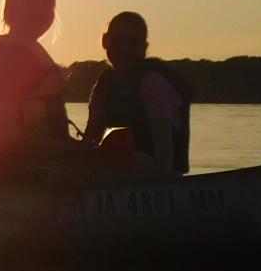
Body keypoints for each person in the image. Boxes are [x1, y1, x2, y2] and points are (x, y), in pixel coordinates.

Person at [0, 0, 79, 184]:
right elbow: (4, 132)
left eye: (46, 5)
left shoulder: (25, 50)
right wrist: (71, 149)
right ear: (10, 10)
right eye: (30, 5)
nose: (39, 12)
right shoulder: (7, 55)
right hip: (19, 174)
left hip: (41, 169)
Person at [83, 11, 194, 177]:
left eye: (132, 43)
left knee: (134, 160)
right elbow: (91, 138)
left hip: (158, 173)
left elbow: (163, 141)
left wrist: (161, 186)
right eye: (117, 40)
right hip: (121, 171)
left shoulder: (152, 82)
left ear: (144, 48)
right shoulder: (104, 84)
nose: (123, 48)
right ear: (105, 41)